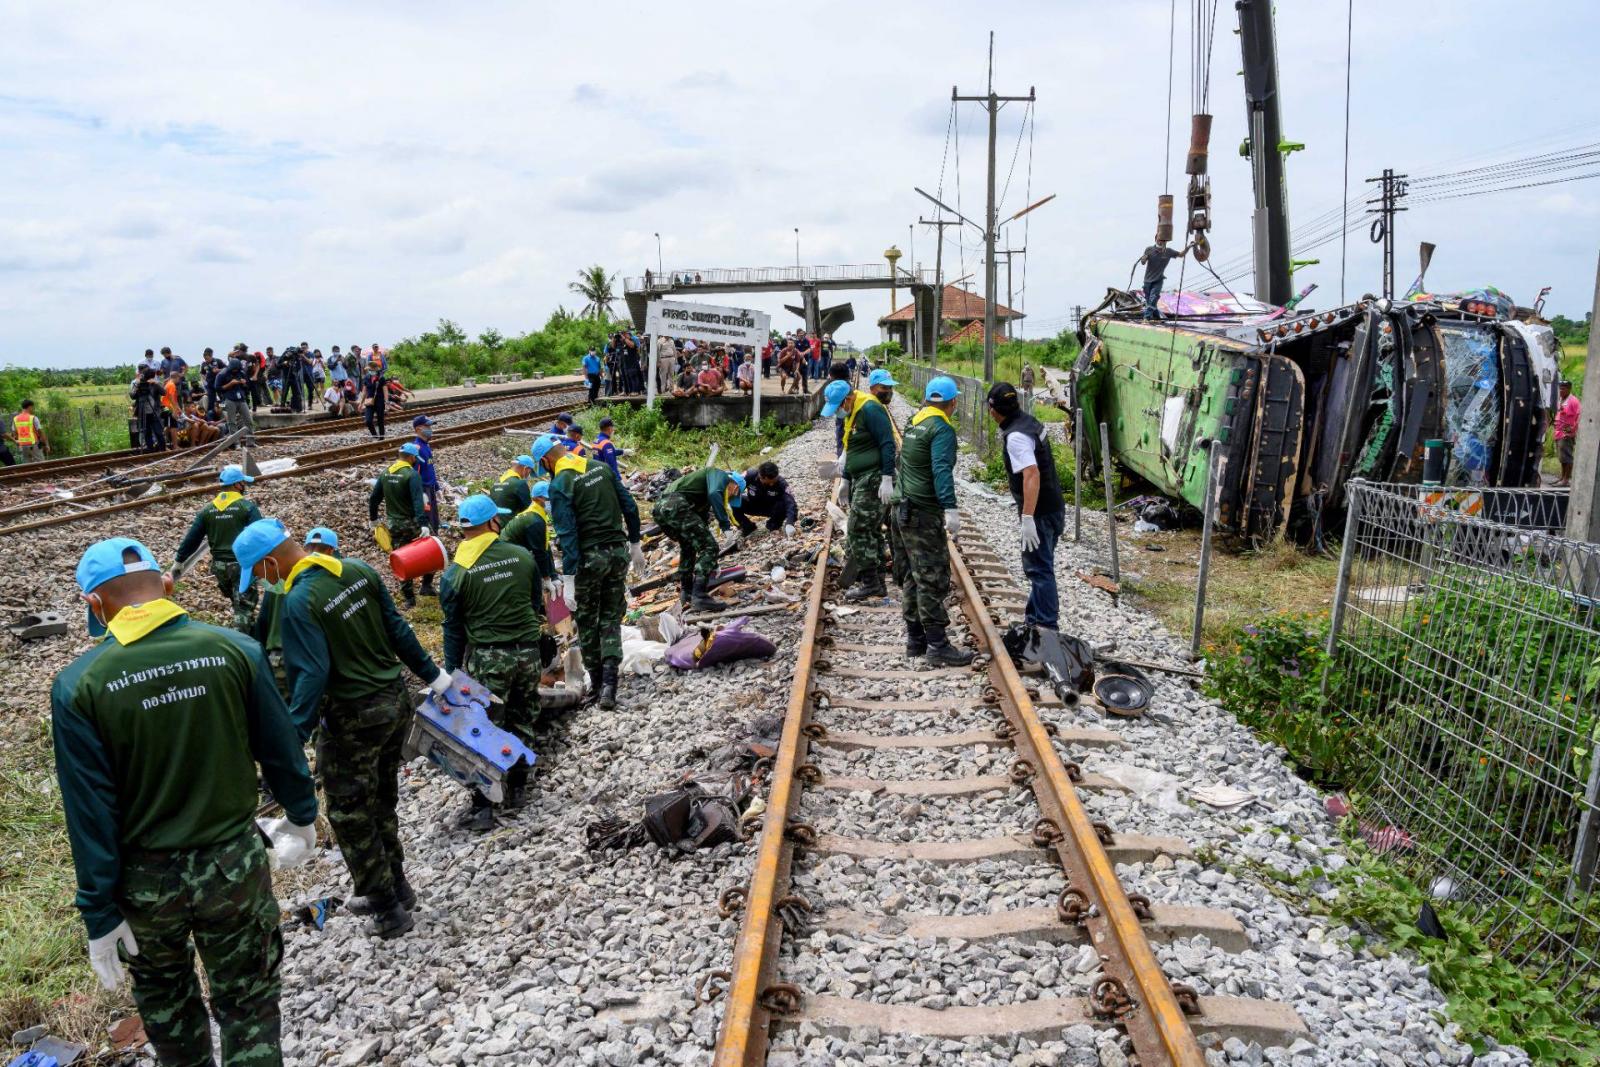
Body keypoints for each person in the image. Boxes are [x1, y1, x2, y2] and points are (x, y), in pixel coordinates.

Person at [53, 537, 317, 1065]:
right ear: (168, 585)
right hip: (233, 865)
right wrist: (301, 815)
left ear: (94, 603)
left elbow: (90, 813)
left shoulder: (78, 686)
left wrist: (98, 911)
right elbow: (280, 746)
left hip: (146, 885)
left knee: (170, 1011)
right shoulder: (235, 649)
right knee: (249, 1003)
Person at [237, 519, 450, 939]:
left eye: (259, 574)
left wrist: (294, 737)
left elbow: (312, 674)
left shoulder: (299, 601)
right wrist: (435, 676)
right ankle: (398, 885)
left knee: (350, 812)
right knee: (381, 797)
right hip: (395, 704)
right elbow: (397, 629)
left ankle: (385, 906)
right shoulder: (357, 570)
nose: (262, 584)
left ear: (270, 563)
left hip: (354, 719)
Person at [440, 494, 543, 830]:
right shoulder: (522, 556)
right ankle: (518, 788)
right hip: (528, 652)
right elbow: (535, 604)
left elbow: (454, 629)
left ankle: (484, 806)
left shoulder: (456, 573)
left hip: (487, 657)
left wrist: (451, 673)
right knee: (523, 716)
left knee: (484, 726)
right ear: (491, 522)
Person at [535, 434, 645, 709]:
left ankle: (597, 685)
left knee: (587, 621)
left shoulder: (560, 484)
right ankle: (610, 684)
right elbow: (629, 505)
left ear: (546, 461)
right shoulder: (601, 468)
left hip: (589, 560)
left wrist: (569, 578)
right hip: (617, 554)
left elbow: (567, 533)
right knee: (610, 616)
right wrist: (635, 543)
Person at [891, 376, 974, 665]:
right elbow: (941, 469)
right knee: (931, 577)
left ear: (927, 399)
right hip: (922, 512)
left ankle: (915, 640)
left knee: (912, 575)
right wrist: (950, 508)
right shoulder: (941, 429)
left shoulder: (914, 421)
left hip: (902, 508)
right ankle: (937, 646)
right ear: (953, 403)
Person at [988, 381, 1066, 633]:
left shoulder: (1016, 437)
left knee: (1039, 570)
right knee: (1042, 565)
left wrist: (1028, 517)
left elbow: (1031, 473)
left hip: (1040, 513)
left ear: (993, 410)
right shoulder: (1029, 422)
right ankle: (1033, 620)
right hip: (1054, 506)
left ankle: (1046, 627)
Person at [821, 377, 897, 600]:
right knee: (871, 531)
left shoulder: (870, 409)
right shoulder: (854, 411)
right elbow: (852, 447)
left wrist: (887, 477)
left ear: (847, 399)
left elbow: (888, 443)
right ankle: (877, 582)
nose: (837, 413)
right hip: (862, 477)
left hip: (873, 478)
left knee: (857, 530)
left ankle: (870, 583)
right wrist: (845, 479)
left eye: (837, 407)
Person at [173, 465, 263, 631]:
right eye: (243, 482)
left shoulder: (207, 510)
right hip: (242, 567)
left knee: (237, 603)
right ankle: (242, 640)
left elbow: (192, 539)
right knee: (244, 609)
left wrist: (179, 561)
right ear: (237, 485)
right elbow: (261, 535)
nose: (245, 486)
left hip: (220, 568)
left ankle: (245, 631)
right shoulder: (247, 507)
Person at [655, 466, 744, 612]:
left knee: (688, 546)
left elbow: (701, 529)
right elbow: (715, 493)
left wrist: (712, 563)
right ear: (734, 485)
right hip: (675, 503)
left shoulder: (700, 495)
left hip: (660, 508)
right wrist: (725, 526)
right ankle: (699, 596)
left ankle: (687, 592)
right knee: (710, 547)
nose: (730, 498)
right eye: (733, 494)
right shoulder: (720, 475)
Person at [369, 443, 432, 606]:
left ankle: (409, 599)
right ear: (410, 458)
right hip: (412, 524)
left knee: (402, 559)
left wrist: (373, 519)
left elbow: (374, 498)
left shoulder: (386, 473)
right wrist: (423, 524)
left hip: (394, 525)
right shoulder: (411, 475)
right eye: (415, 458)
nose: (415, 461)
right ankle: (426, 586)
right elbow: (418, 502)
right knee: (431, 550)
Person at [736, 461, 797, 539]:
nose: (772, 484)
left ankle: (773, 526)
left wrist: (790, 523)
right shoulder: (750, 475)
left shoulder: (781, 483)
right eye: (770, 482)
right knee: (733, 502)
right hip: (753, 504)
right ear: (762, 477)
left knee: (783, 504)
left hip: (771, 509)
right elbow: (735, 487)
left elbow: (791, 502)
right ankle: (747, 527)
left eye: (774, 481)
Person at [1139, 238, 1192, 319]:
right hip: (1147, 280)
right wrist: (1143, 258)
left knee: (1153, 298)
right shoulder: (1149, 249)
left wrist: (1189, 247)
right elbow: (1143, 262)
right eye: (1159, 240)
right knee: (1149, 301)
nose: (1161, 242)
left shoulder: (1169, 251)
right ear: (1156, 240)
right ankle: (1157, 317)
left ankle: (1147, 317)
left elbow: (1181, 255)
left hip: (1158, 279)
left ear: (1166, 241)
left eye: (1163, 240)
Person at [215, 346, 256, 445]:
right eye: (234, 370)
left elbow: (247, 387)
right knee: (232, 422)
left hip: (241, 399)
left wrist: (244, 383)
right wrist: (230, 384)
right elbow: (218, 388)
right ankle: (236, 443)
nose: (235, 371)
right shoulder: (222, 374)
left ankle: (251, 442)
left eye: (237, 369)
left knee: (249, 420)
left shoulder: (241, 372)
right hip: (229, 399)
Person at [412, 415, 440, 532]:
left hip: (430, 487)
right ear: (418, 429)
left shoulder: (426, 445)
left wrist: (436, 487)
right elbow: (415, 474)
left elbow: (430, 467)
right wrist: (420, 493)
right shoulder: (417, 448)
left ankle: (435, 535)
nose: (430, 429)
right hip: (424, 489)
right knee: (428, 519)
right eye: (427, 426)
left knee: (434, 518)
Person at [130, 368, 167, 453]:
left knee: (158, 432)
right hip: (143, 413)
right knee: (147, 433)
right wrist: (136, 385)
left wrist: (156, 383)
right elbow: (132, 396)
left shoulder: (154, 385)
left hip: (154, 413)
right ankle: (151, 451)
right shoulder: (139, 384)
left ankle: (163, 450)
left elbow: (164, 393)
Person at [1553, 379, 1581, 486]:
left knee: (1567, 457)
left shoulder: (1573, 401)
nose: (1561, 391)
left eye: (1563, 389)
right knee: (1562, 457)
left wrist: (1573, 428)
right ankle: (1562, 478)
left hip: (1566, 433)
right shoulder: (1560, 399)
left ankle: (1566, 480)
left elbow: (1579, 415)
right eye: (1560, 388)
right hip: (1558, 432)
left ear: (1569, 389)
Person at [361, 359, 387, 438]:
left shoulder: (381, 378)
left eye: (372, 369)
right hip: (369, 401)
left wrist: (386, 402)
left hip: (379, 400)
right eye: (370, 369)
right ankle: (375, 436)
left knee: (380, 420)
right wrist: (361, 403)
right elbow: (364, 391)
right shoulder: (366, 378)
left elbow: (385, 391)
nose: (371, 371)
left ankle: (381, 437)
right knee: (368, 421)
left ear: (376, 369)